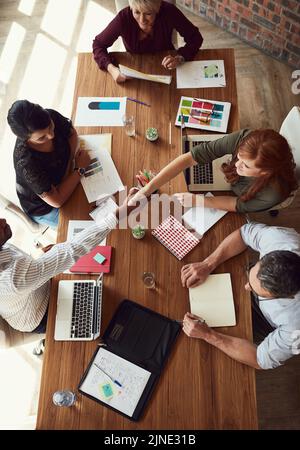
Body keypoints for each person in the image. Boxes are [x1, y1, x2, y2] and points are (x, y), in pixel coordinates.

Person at [0, 189, 139, 333]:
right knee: (111, 317)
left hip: (37, 286)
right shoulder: (12, 279)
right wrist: (119, 213)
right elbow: (72, 250)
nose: (3, 220)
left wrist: (38, 262)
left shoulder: (2, 246)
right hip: (42, 314)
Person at [180, 222, 300, 370]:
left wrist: (209, 335)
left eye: (255, 290)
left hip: (267, 322)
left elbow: (260, 360)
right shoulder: (281, 239)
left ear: (283, 297)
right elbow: (243, 234)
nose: (246, 287)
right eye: (252, 274)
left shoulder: (296, 328)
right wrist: (208, 264)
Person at [132, 129, 298, 213]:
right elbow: (190, 158)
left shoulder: (273, 193)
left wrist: (198, 201)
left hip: (241, 197)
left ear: (265, 173)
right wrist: (147, 190)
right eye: (238, 157)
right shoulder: (248, 140)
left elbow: (237, 204)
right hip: (234, 185)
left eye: (246, 166)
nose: (237, 165)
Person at [7, 100, 91, 229]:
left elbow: (72, 134)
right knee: (89, 224)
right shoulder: (26, 163)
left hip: (66, 176)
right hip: (45, 207)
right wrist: (79, 169)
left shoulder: (50, 116)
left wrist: (69, 166)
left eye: (51, 127)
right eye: (41, 138)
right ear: (26, 139)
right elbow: (56, 201)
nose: (51, 136)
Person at [93, 0, 203, 83]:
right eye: (137, 12)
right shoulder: (123, 18)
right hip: (134, 71)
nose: (142, 20)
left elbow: (195, 38)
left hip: (166, 68)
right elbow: (98, 44)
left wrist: (180, 58)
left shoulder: (169, 11)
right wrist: (112, 69)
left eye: (148, 14)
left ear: (157, 9)